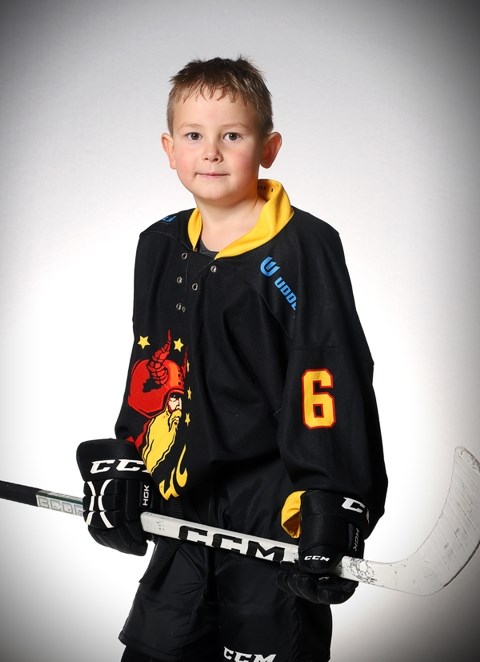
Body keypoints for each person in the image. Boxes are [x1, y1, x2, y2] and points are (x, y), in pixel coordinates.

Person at [77, 56, 388, 662]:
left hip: (273, 517)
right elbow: (153, 363)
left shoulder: (304, 246)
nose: (211, 152)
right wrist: (130, 459)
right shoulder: (159, 244)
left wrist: (334, 499)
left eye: (233, 135)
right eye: (194, 135)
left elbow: (329, 371)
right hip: (185, 506)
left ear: (269, 148)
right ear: (169, 149)